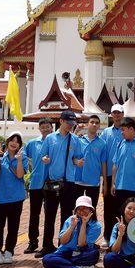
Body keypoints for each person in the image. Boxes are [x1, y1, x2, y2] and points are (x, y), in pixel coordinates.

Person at [37, 109, 85, 258]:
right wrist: (45, 159)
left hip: (68, 182)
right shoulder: (50, 138)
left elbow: (75, 158)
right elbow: (43, 156)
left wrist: (78, 162)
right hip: (52, 182)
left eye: (72, 123)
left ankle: (63, 245)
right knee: (49, 216)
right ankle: (47, 245)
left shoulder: (74, 139)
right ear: (61, 121)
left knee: (66, 216)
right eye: (68, 123)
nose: (70, 126)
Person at [0, 131, 28, 264]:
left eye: (17, 141)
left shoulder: (22, 157)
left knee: (13, 226)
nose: (14, 143)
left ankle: (9, 251)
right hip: (1, 197)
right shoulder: (0, 156)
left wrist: (19, 160)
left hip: (16, 197)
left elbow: (20, 175)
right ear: (7, 141)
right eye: (12, 140)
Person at [41, 195, 102, 268]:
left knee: (94, 254)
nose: (81, 211)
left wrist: (84, 224)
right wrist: (72, 226)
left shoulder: (96, 226)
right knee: (47, 259)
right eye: (79, 209)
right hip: (66, 252)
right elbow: (63, 241)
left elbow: (81, 244)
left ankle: (64, 266)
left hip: (82, 253)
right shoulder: (70, 220)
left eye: (85, 208)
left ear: (91, 210)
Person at [21, 117, 54, 254]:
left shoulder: (55, 142)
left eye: (48, 127)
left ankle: (48, 243)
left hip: (51, 183)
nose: (45, 129)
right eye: (43, 127)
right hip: (36, 183)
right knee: (34, 214)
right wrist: (27, 169)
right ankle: (33, 242)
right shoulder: (33, 143)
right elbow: (23, 155)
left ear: (52, 128)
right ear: (39, 129)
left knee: (49, 215)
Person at [101, 104, 125, 245]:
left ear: (123, 114)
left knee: (121, 206)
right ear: (111, 114)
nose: (116, 115)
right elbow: (103, 155)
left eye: (119, 112)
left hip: (124, 174)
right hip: (110, 173)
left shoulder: (126, 131)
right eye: (114, 112)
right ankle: (107, 235)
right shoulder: (106, 132)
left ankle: (121, 236)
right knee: (108, 207)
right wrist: (104, 179)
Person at [76, 114, 107, 210]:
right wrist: (76, 131)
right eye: (92, 122)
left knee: (92, 210)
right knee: (76, 209)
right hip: (77, 180)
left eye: (97, 123)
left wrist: (105, 182)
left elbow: (103, 163)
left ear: (99, 126)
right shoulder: (79, 140)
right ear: (87, 124)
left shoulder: (102, 143)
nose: (94, 124)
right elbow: (72, 155)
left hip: (93, 181)